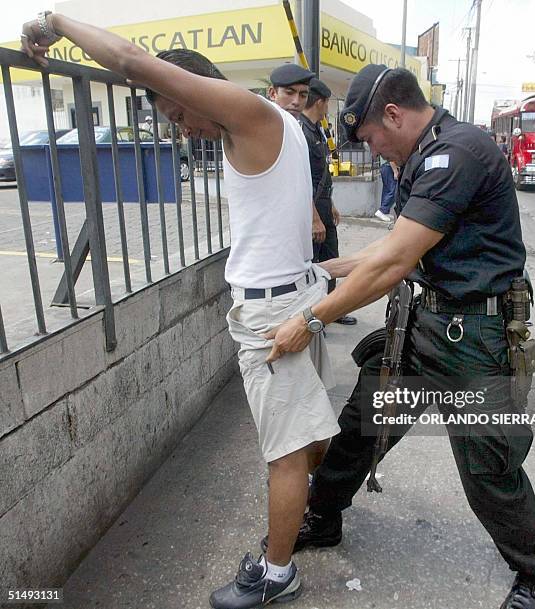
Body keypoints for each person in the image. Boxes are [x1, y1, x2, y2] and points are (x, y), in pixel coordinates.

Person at [21, 12, 340, 609]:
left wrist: (56, 21)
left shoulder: (250, 113)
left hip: (273, 317)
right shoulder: (284, 126)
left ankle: (277, 573)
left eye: (176, 113)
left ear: (193, 88)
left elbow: (130, 60)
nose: (179, 130)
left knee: (284, 450)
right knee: (305, 433)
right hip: (292, 295)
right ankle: (320, 510)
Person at [265, 65, 535, 609]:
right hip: (420, 328)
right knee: (358, 429)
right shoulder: (423, 154)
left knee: (488, 467)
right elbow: (395, 247)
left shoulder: (456, 154)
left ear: (394, 115)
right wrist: (326, 272)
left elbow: (395, 260)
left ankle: (534, 571)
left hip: (476, 338)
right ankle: (324, 517)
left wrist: (310, 321)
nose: (376, 152)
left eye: (373, 138)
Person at [300, 78, 357, 326]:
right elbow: (301, 181)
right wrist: (314, 218)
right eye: (327, 103)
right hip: (310, 207)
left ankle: (331, 310)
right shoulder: (301, 131)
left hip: (323, 204)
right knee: (314, 263)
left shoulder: (317, 129)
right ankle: (312, 315)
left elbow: (322, 173)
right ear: (321, 102)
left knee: (331, 257)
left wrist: (330, 204)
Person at [268, 64, 327, 248]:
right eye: (289, 92)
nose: (296, 101)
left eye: (303, 95)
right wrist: (314, 218)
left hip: (295, 223)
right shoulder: (269, 130)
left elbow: (304, 179)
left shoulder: (296, 128)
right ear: (272, 93)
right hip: (275, 229)